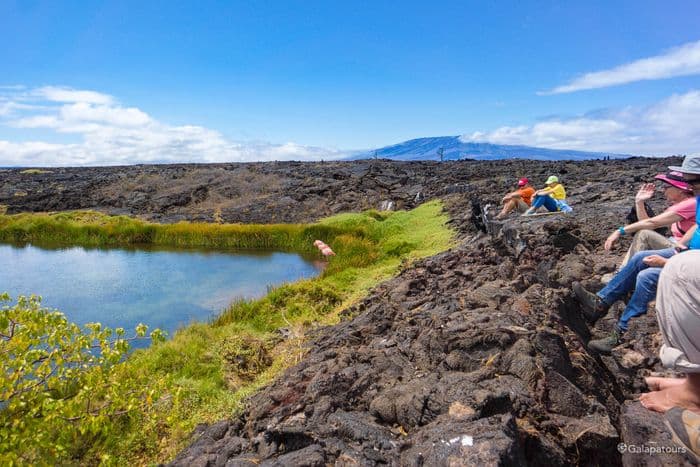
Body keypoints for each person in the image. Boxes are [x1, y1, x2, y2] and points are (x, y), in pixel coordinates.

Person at [573, 155, 700, 354]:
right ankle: (601, 302)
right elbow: (695, 230)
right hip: (689, 255)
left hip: (693, 266)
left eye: (692, 181)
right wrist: (678, 250)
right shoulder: (699, 201)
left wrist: (668, 263)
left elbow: (652, 224)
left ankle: (620, 334)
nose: (689, 186)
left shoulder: (691, 202)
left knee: (646, 277)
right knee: (642, 257)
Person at [610, 171, 695, 267]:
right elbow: (647, 224)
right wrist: (639, 202)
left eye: (666, 187)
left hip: (684, 249)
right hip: (676, 244)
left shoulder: (690, 203)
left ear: (680, 189)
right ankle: (625, 271)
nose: (663, 190)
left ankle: (624, 272)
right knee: (644, 233)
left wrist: (620, 231)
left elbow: (652, 223)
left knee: (644, 235)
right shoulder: (680, 205)